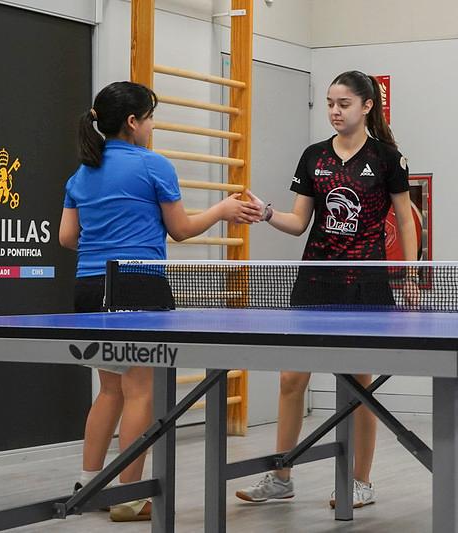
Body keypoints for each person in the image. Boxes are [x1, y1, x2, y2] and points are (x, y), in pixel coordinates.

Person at [59, 80, 261, 522]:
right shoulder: (154, 166)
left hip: (89, 287)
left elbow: (67, 237)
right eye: (150, 117)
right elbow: (183, 229)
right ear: (133, 122)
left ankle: (87, 482)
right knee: (140, 392)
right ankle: (130, 497)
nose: (152, 126)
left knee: (109, 389)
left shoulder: (81, 173)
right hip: (137, 285)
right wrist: (223, 211)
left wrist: (105, 244)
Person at [236, 70, 418, 509]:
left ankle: (360, 482)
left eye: (344, 104)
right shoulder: (313, 156)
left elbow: (405, 218)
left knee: (359, 383)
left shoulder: (388, 157)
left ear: (367, 106)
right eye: (331, 104)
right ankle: (281, 476)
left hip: (367, 282)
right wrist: (265, 213)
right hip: (315, 280)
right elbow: (299, 222)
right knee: (291, 378)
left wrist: (410, 273)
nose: (335, 111)